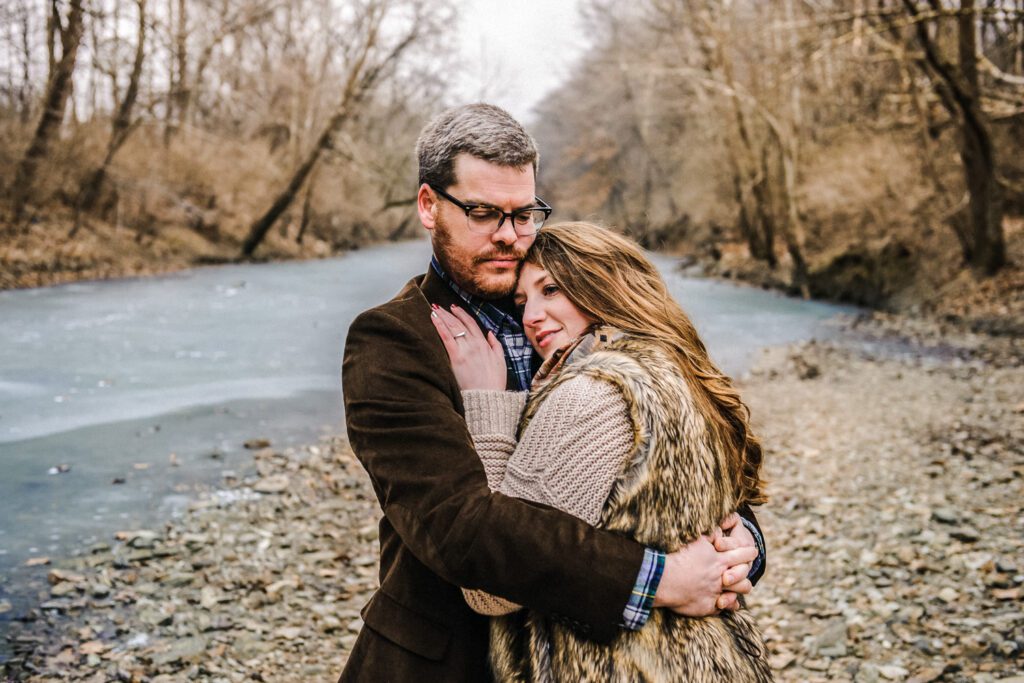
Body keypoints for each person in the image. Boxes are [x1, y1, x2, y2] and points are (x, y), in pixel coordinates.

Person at [339, 103, 766, 682]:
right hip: (451, 661)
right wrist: (659, 578)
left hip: (592, 659)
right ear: (428, 205)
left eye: (524, 214)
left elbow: (676, 454)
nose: (509, 236)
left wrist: (739, 544)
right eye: (483, 213)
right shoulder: (392, 339)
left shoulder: (580, 308)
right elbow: (459, 527)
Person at [429, 222, 772, 681]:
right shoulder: (674, 372)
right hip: (708, 660)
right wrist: (748, 544)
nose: (531, 316)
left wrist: (486, 403)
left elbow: (491, 589)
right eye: (522, 302)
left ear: (603, 286)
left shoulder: (588, 396)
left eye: (551, 290)